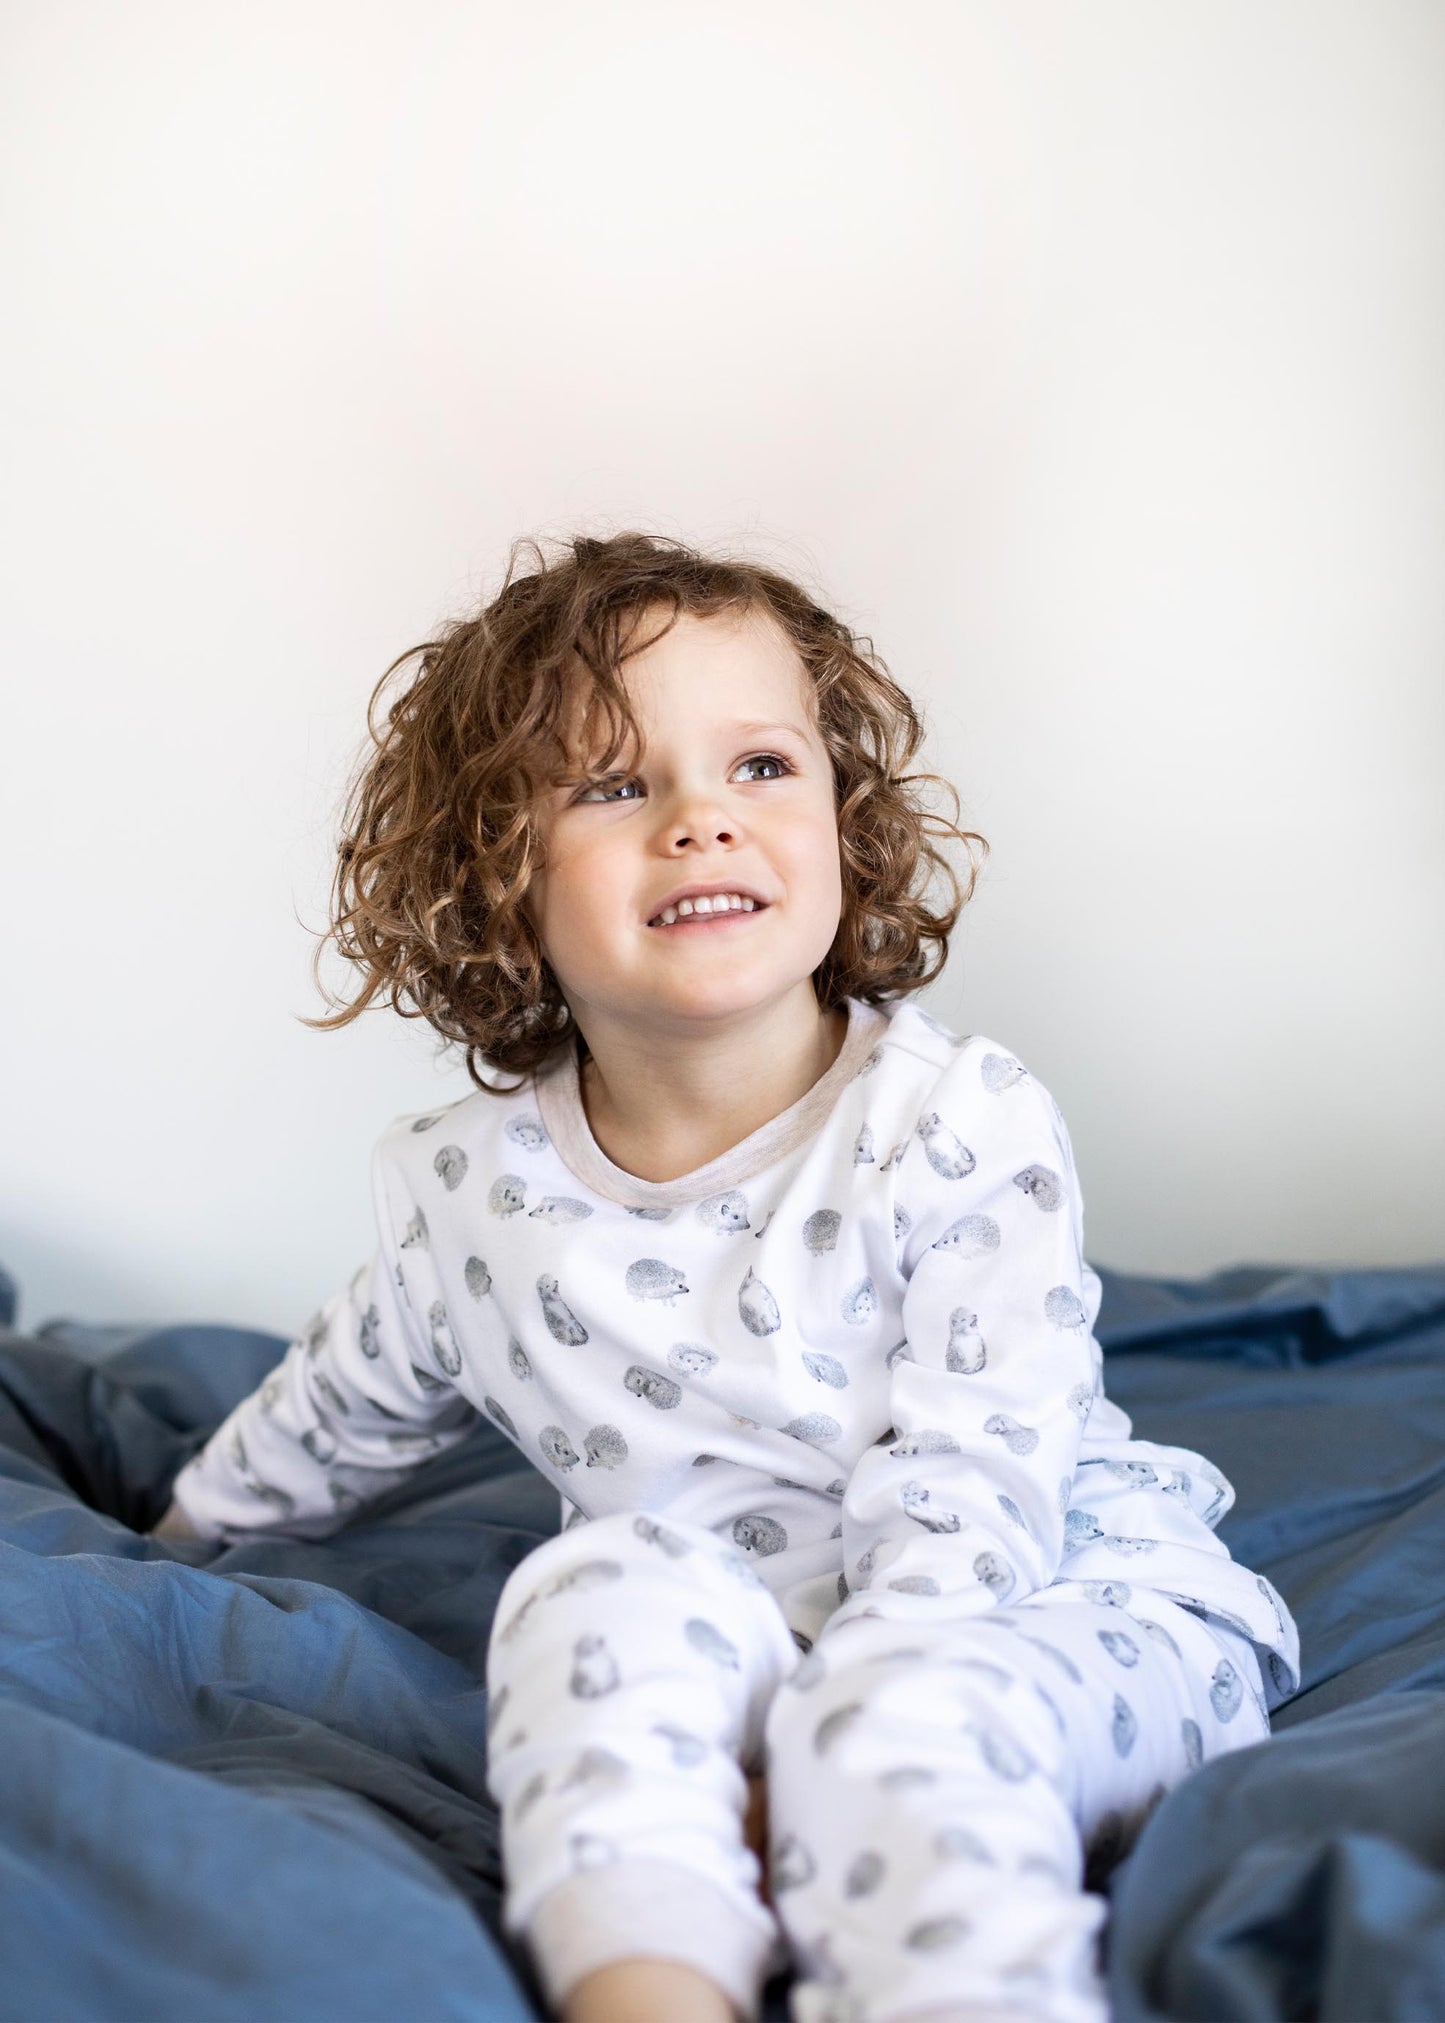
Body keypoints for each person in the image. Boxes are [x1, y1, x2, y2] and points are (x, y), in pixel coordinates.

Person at [153, 530, 1300, 2023]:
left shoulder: (955, 1122)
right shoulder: (464, 1190)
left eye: (760, 768)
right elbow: (343, 1404)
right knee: (581, 1591)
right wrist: (173, 1537)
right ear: (498, 875)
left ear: (842, 816)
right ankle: (648, 1987)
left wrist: (810, 1747)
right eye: (616, 786)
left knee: (899, 1723)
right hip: (727, 1631)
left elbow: (974, 1484)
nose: (701, 820)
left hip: (1040, 1607)